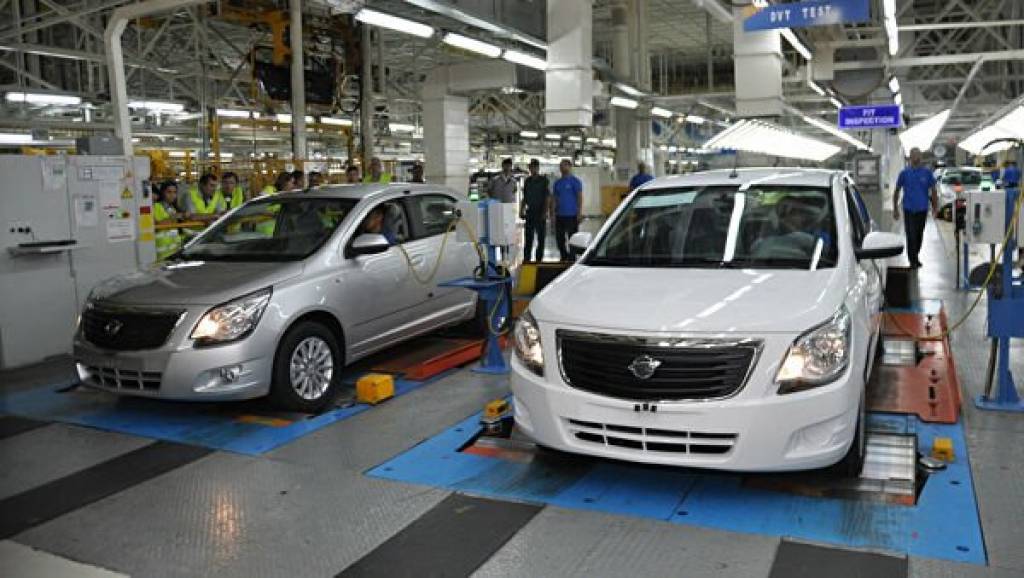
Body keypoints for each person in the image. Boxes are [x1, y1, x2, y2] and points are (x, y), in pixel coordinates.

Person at [893, 147, 939, 269]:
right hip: (908, 209)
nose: (916, 157)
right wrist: (895, 209)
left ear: (921, 157)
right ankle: (912, 260)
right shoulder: (904, 173)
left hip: (922, 209)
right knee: (911, 235)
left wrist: (935, 208)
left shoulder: (927, 173)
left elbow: (934, 191)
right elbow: (897, 191)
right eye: (913, 155)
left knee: (919, 235)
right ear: (910, 157)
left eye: (918, 155)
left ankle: (915, 256)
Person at [552, 159, 583, 261]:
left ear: (570, 167)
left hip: (572, 215)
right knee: (559, 239)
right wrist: (553, 214)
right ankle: (563, 255)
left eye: (564, 165)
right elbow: (555, 199)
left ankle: (572, 258)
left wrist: (579, 212)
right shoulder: (557, 183)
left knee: (572, 238)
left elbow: (579, 197)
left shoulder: (575, 181)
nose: (562, 168)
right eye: (561, 166)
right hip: (560, 215)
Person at [521, 158, 551, 262]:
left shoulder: (544, 180)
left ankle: (539, 260)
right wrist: (521, 209)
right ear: (529, 168)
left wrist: (545, 212)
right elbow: (525, 197)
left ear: (538, 168)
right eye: (531, 167)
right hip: (530, 213)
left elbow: (547, 197)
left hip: (540, 212)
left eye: (535, 167)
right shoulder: (527, 181)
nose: (533, 169)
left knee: (541, 239)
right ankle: (527, 259)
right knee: (528, 238)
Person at [153, 181, 182, 260]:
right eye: (169, 192)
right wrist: (174, 217)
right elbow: (156, 226)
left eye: (175, 192)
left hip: (174, 252)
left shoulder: (173, 208)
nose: (172, 195)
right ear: (162, 193)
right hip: (161, 255)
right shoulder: (155, 207)